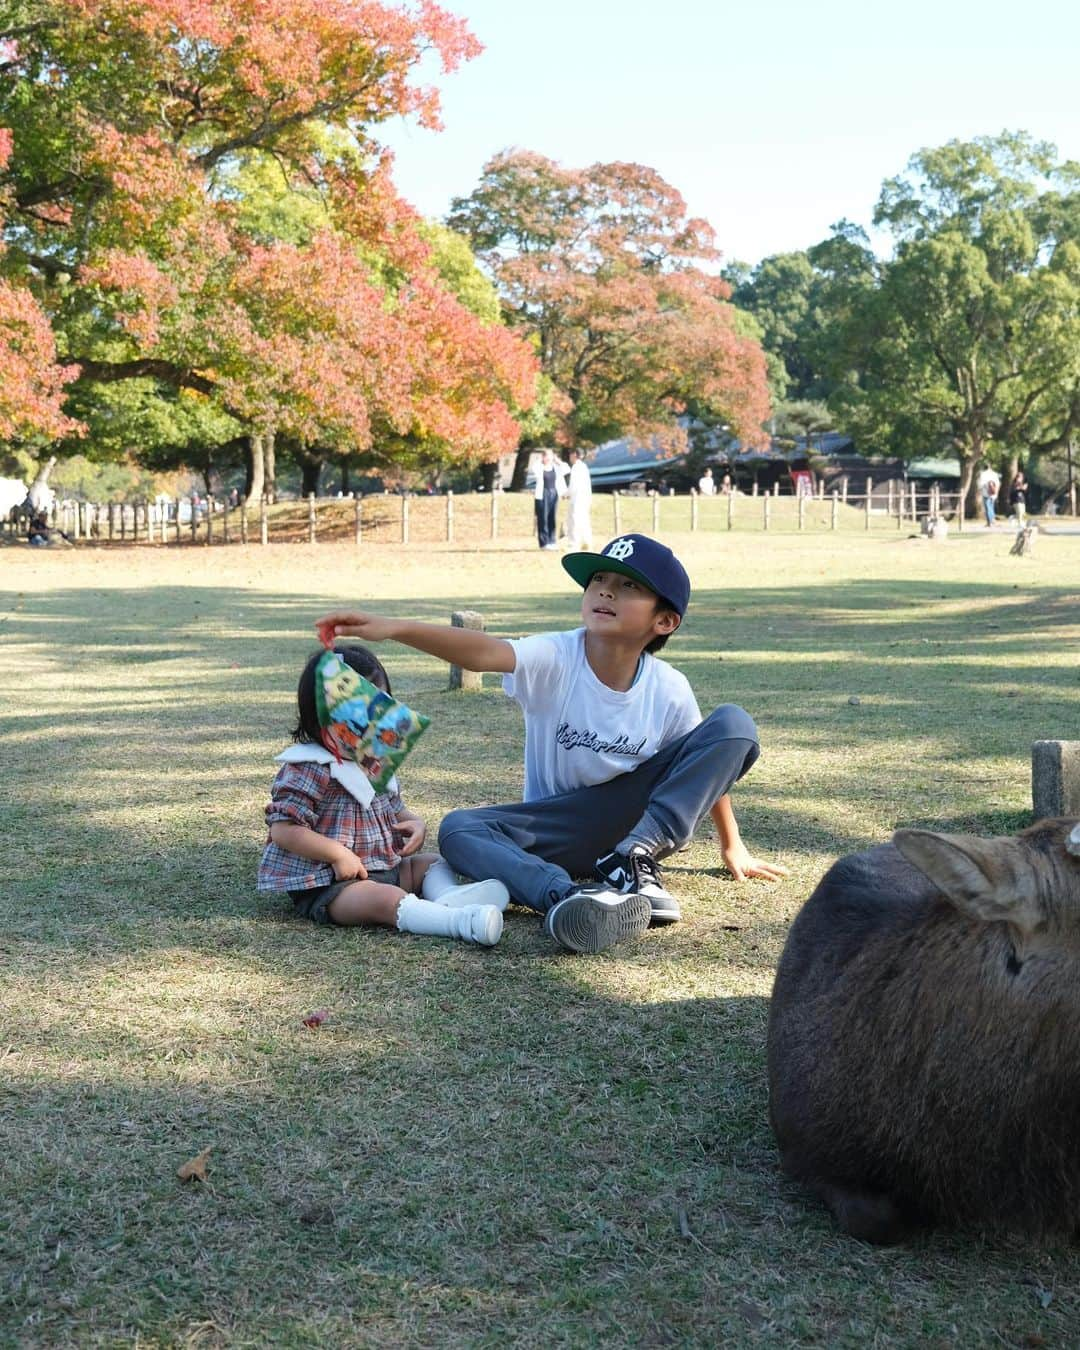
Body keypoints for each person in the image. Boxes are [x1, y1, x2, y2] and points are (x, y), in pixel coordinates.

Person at [317, 534, 788, 956]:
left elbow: (705, 768)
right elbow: (484, 653)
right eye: (599, 580)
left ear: (664, 620)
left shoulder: (669, 687)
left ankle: (633, 856)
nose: (605, 590)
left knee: (735, 725)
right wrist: (394, 628)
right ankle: (568, 900)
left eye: (628, 586)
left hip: (638, 824)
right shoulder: (557, 656)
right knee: (459, 828)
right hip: (555, 829)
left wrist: (734, 845)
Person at [257, 644, 508, 944]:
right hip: (332, 884)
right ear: (323, 713)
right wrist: (337, 854)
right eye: (359, 714)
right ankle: (456, 921)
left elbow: (394, 808)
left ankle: (448, 897)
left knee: (433, 863)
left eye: (382, 707)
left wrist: (415, 822)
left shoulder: (373, 760)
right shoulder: (310, 765)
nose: (372, 724)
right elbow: (284, 830)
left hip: (387, 866)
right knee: (385, 900)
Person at [533, 448, 568, 550]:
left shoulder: (556, 467)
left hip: (554, 493)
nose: (548, 458)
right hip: (542, 494)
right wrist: (541, 460)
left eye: (550, 456)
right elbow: (534, 468)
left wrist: (558, 461)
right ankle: (544, 542)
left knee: (552, 517)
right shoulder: (539, 467)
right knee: (543, 518)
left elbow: (566, 469)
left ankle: (552, 541)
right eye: (546, 456)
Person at [565, 448, 593, 550]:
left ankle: (573, 543)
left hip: (577, 499)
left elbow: (573, 485)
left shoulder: (576, 467)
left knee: (574, 521)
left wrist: (567, 494)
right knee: (584, 520)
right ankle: (586, 541)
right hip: (585, 498)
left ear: (574, 455)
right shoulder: (584, 467)